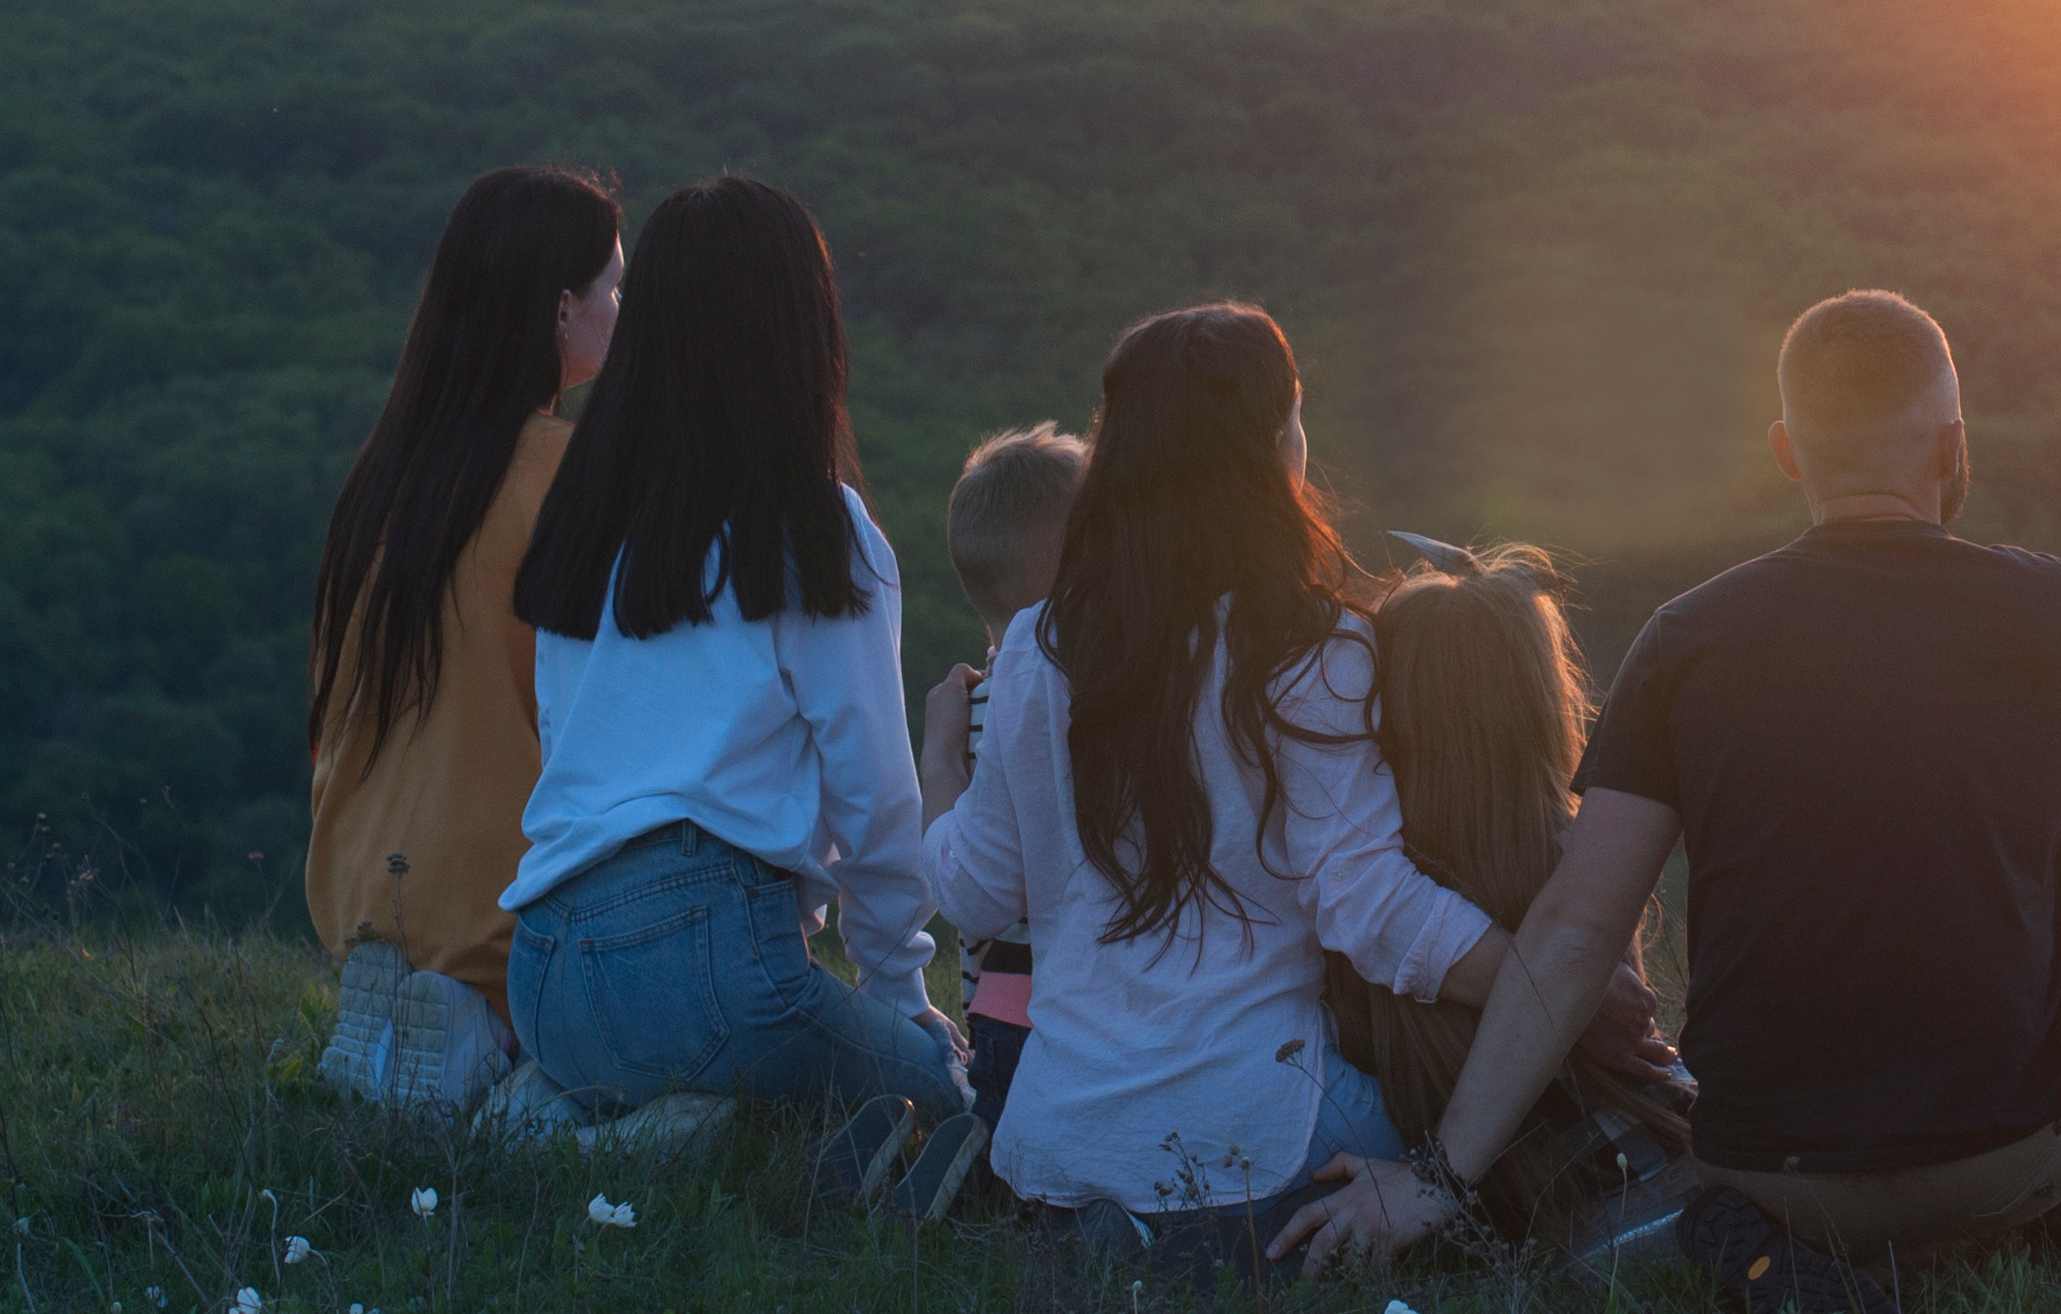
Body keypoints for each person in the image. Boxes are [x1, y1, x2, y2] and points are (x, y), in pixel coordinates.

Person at [1283, 289, 2061, 1300]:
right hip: (2010, 1161)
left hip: (1765, 1177)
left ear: (1788, 451)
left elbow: (1575, 932)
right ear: (1952, 447)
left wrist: (1440, 1175)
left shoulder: (1685, 639)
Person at [914, 304, 1504, 1277]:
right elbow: (1366, 905)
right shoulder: (1311, 646)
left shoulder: (1039, 647)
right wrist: (1535, 979)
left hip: (1057, 1138)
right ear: (1277, 443)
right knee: (1479, 1135)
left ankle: (1128, 1241)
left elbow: (978, 897)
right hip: (1257, 1125)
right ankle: (1200, 1243)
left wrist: (941, 770)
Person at [502, 175, 969, 1137]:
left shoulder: (587, 518)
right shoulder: (811, 528)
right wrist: (894, 985)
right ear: (800, 327)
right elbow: (876, 792)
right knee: (944, 1086)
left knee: (755, 1068)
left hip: (545, 972)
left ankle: (585, 1121)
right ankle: (689, 1130)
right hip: (702, 958)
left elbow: (564, 737)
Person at [306, 165, 625, 1109]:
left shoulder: (381, 479)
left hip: (360, 887)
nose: (625, 307)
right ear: (561, 312)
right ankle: (491, 1029)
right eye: (615, 288)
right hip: (503, 904)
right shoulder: (568, 477)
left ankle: (415, 998)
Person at [1324, 540, 1694, 1241]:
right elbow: (1638, 1036)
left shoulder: (1363, 887)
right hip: (1647, 1172)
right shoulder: (1576, 853)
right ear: (1538, 699)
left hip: (1497, 1204)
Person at [939, 420, 1089, 1145]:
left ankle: (965, 1150)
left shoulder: (969, 706)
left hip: (995, 1018)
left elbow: (954, 865)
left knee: (1001, 1127)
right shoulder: (1075, 694)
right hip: (1075, 1009)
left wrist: (938, 756)